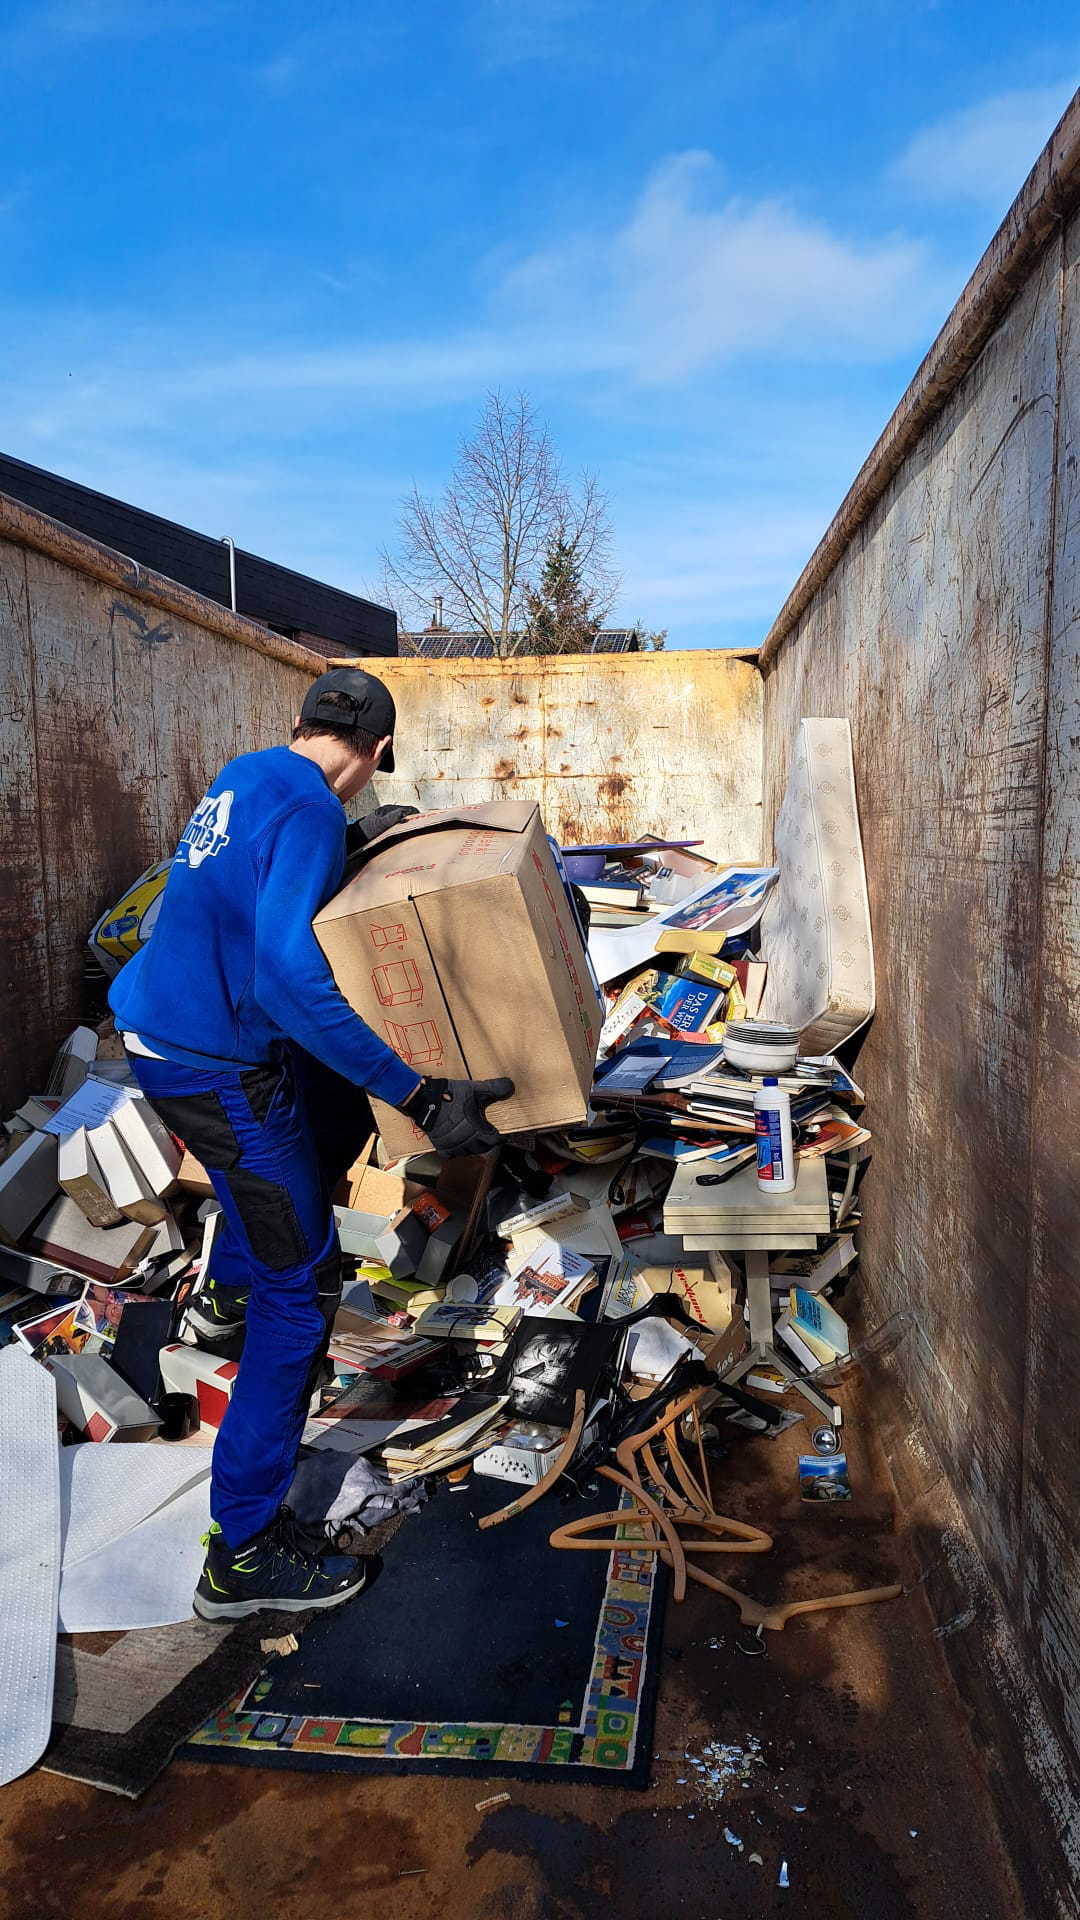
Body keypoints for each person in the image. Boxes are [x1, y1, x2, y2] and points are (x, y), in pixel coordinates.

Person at [110, 667, 512, 1620]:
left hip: (160, 1034)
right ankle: (241, 1556)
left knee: (300, 1166)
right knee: (304, 1293)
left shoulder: (247, 773)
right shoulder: (315, 815)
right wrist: (419, 1092)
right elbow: (291, 975)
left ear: (299, 725)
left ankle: (216, 1304)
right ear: (377, 755)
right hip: (216, 1064)